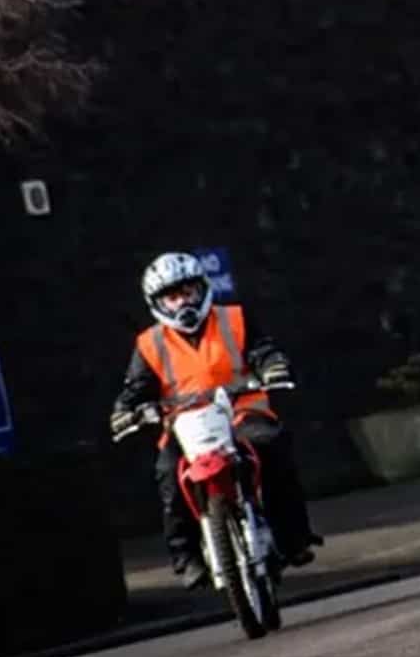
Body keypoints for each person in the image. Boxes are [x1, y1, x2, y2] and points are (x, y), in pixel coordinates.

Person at [110, 251, 320, 588]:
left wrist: (273, 366)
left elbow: (262, 350)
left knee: (272, 447)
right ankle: (186, 557)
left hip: (242, 410)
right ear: (158, 303)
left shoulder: (234, 318)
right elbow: (135, 389)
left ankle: (294, 538)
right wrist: (125, 411)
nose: (182, 303)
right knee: (168, 473)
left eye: (188, 291)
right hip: (183, 423)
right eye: (172, 296)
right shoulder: (149, 344)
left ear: (203, 289)